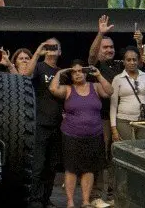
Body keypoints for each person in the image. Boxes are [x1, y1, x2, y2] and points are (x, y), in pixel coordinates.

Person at [48, 61, 113, 208]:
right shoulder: (69, 89)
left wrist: (99, 75)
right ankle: (70, 202)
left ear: (85, 73)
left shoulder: (95, 87)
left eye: (80, 71)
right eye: (74, 72)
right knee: (71, 169)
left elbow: (110, 91)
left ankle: (85, 201)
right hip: (71, 135)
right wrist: (60, 72)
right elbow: (52, 89)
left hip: (94, 135)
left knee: (89, 168)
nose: (78, 73)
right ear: (71, 75)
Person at [87, 15, 123, 207]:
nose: (109, 50)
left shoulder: (119, 65)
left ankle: (111, 193)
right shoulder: (96, 66)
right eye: (105, 47)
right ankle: (95, 195)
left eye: (111, 47)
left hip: (119, 118)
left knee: (115, 158)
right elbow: (92, 56)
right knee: (100, 157)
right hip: (101, 119)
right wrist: (100, 34)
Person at [26, 38, 63, 208]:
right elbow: (26, 75)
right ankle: (34, 200)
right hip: (40, 123)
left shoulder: (62, 72)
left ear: (60, 52)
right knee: (38, 165)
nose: (52, 49)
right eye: (49, 46)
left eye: (56, 47)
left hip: (57, 124)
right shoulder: (39, 67)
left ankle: (46, 198)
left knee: (52, 166)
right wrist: (39, 50)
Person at [110, 46, 145, 141]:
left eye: (134, 60)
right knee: (128, 149)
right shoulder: (118, 78)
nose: (132, 62)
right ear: (123, 62)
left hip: (144, 120)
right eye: (128, 60)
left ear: (139, 61)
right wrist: (113, 129)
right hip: (124, 121)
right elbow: (113, 104)